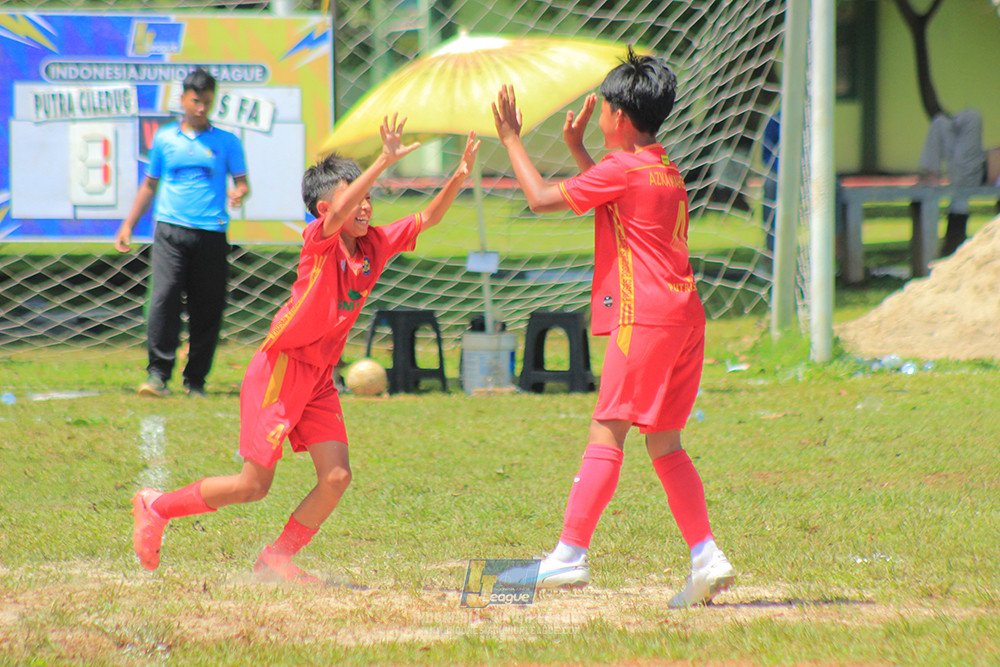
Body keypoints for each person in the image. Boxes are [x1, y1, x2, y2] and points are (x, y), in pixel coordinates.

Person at [130, 116, 480, 582]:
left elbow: (427, 217)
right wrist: (382, 161)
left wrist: (458, 176)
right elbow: (337, 217)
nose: (366, 205)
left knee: (336, 477)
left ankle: (276, 558)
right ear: (323, 207)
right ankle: (157, 506)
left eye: (369, 197)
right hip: (282, 368)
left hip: (319, 376)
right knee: (252, 486)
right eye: (355, 195)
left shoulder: (373, 243)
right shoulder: (320, 240)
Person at [491, 48, 735, 608]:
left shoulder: (622, 169)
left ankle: (568, 556)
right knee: (665, 441)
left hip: (643, 316)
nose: (596, 115)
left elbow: (539, 199)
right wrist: (580, 148)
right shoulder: (661, 165)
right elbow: (613, 201)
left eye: (601, 108)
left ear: (619, 118)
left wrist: (510, 137)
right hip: (684, 315)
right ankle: (705, 556)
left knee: (608, 429)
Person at [115, 67, 250, 398]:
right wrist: (129, 224)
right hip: (170, 232)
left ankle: (196, 381)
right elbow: (150, 184)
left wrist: (239, 193)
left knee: (208, 307)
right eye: (195, 101)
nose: (201, 108)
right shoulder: (165, 139)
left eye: (206, 101)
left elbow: (242, 182)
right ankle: (157, 375)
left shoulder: (227, 142)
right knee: (163, 300)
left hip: (211, 234)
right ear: (183, 100)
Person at [916, 108, 986, 256]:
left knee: (971, 117)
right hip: (970, 169)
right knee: (939, 122)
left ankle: (931, 174)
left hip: (974, 173)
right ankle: (932, 173)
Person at [761, 112, 780, 256]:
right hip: (779, 173)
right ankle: (770, 253)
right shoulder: (776, 119)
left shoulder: (812, 117)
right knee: (770, 185)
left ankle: (837, 250)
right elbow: (766, 154)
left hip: (811, 172)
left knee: (833, 188)